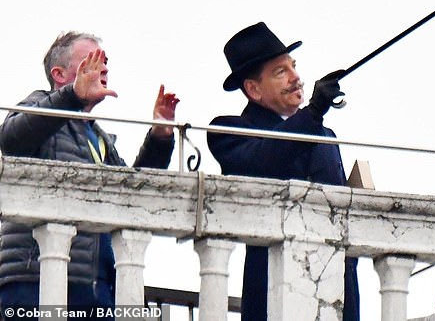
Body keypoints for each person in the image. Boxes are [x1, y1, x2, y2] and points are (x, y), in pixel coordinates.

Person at [0, 31, 180, 315]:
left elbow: (132, 196)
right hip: (35, 280)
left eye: (105, 61)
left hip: (96, 286)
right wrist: (71, 96)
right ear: (59, 74)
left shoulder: (97, 136)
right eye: (93, 61)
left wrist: (160, 136)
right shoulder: (39, 103)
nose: (105, 68)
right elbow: (10, 139)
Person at [207, 22, 360, 321]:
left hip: (338, 289)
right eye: (281, 72)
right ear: (253, 89)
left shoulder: (325, 134)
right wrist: (313, 112)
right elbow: (265, 160)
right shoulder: (230, 130)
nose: (296, 78)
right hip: (275, 291)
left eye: (293, 66)